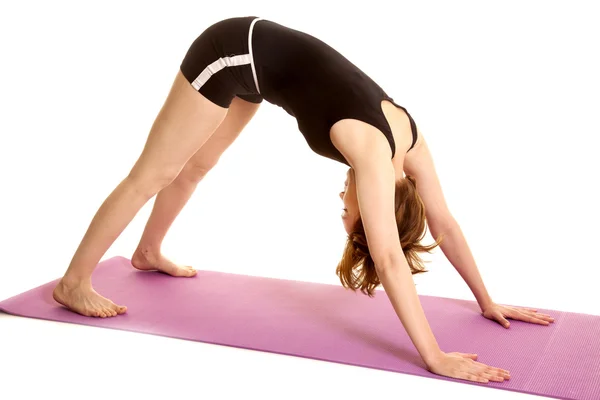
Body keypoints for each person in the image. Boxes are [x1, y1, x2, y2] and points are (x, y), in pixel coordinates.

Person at [52, 16, 553, 383]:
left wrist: (485, 301)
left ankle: (147, 252)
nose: (343, 201)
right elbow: (389, 258)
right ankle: (73, 283)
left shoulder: (410, 146)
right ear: (377, 204)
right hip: (232, 49)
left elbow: (443, 222)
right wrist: (435, 355)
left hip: (257, 72)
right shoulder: (375, 160)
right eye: (348, 213)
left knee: (200, 164)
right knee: (155, 172)